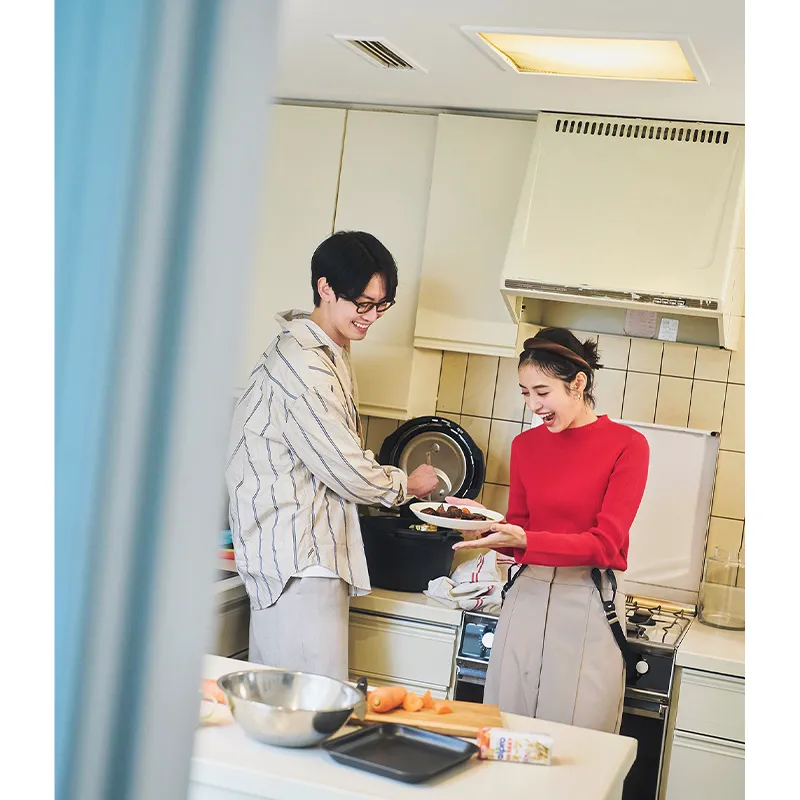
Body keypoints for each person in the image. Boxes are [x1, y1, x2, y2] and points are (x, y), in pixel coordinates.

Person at [225, 231, 439, 681]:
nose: (372, 317)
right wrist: (407, 484)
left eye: (381, 305)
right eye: (363, 304)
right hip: (300, 563)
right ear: (325, 288)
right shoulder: (304, 366)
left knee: (291, 704)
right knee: (307, 706)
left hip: (301, 560)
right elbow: (346, 469)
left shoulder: (326, 352)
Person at [452, 327, 650, 733]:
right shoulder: (525, 446)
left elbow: (605, 545)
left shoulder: (628, 446)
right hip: (524, 598)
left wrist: (524, 539)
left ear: (578, 384)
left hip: (588, 601)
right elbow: (519, 533)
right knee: (504, 732)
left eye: (542, 392)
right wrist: (485, 528)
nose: (533, 405)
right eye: (525, 393)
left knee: (576, 745)